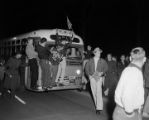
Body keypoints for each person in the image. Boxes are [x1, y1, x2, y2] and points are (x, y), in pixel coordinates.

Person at [113, 47, 146, 120]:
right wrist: (129, 113)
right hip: (126, 113)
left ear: (131, 58)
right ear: (144, 59)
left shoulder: (130, 69)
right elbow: (127, 96)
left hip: (122, 111)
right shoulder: (134, 71)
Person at [85, 47, 108, 115]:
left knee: (99, 92)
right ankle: (97, 105)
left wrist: (102, 72)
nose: (99, 53)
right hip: (92, 77)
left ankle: (99, 108)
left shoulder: (103, 61)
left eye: (100, 52)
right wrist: (89, 75)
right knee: (94, 92)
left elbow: (106, 68)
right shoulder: (90, 60)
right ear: (95, 53)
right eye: (98, 52)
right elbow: (86, 69)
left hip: (99, 77)